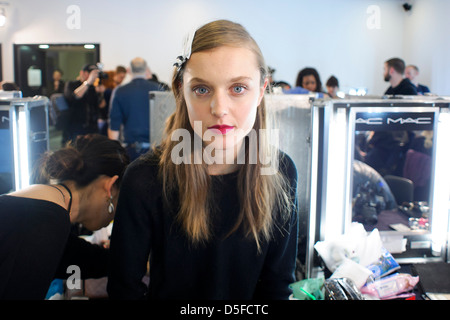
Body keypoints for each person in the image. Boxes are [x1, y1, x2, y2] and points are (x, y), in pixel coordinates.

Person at [107, 19, 299, 300]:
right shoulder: (145, 179)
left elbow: (277, 287)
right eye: (201, 89)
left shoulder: (280, 171)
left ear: (260, 91)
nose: (219, 109)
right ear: (180, 91)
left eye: (237, 88)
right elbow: (124, 290)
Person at [0, 134, 130, 299]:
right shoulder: (49, 221)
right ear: (110, 188)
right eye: (119, 201)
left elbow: (81, 258)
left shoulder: (46, 206)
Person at [108, 57, 164, 161]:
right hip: (157, 149)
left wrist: (115, 154)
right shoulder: (159, 89)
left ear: (129, 70)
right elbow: (165, 120)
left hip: (132, 149)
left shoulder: (120, 91)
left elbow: (114, 127)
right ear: (146, 69)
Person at [63, 64, 103, 145]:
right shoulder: (71, 84)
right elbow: (74, 97)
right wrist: (88, 82)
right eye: (90, 73)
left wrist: (101, 93)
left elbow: (101, 106)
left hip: (92, 129)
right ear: (82, 73)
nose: (93, 76)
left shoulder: (93, 88)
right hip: (75, 128)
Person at [99, 65, 127, 135]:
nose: (122, 79)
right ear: (115, 74)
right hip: (103, 116)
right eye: (121, 77)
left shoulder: (119, 88)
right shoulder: (106, 82)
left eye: (123, 78)